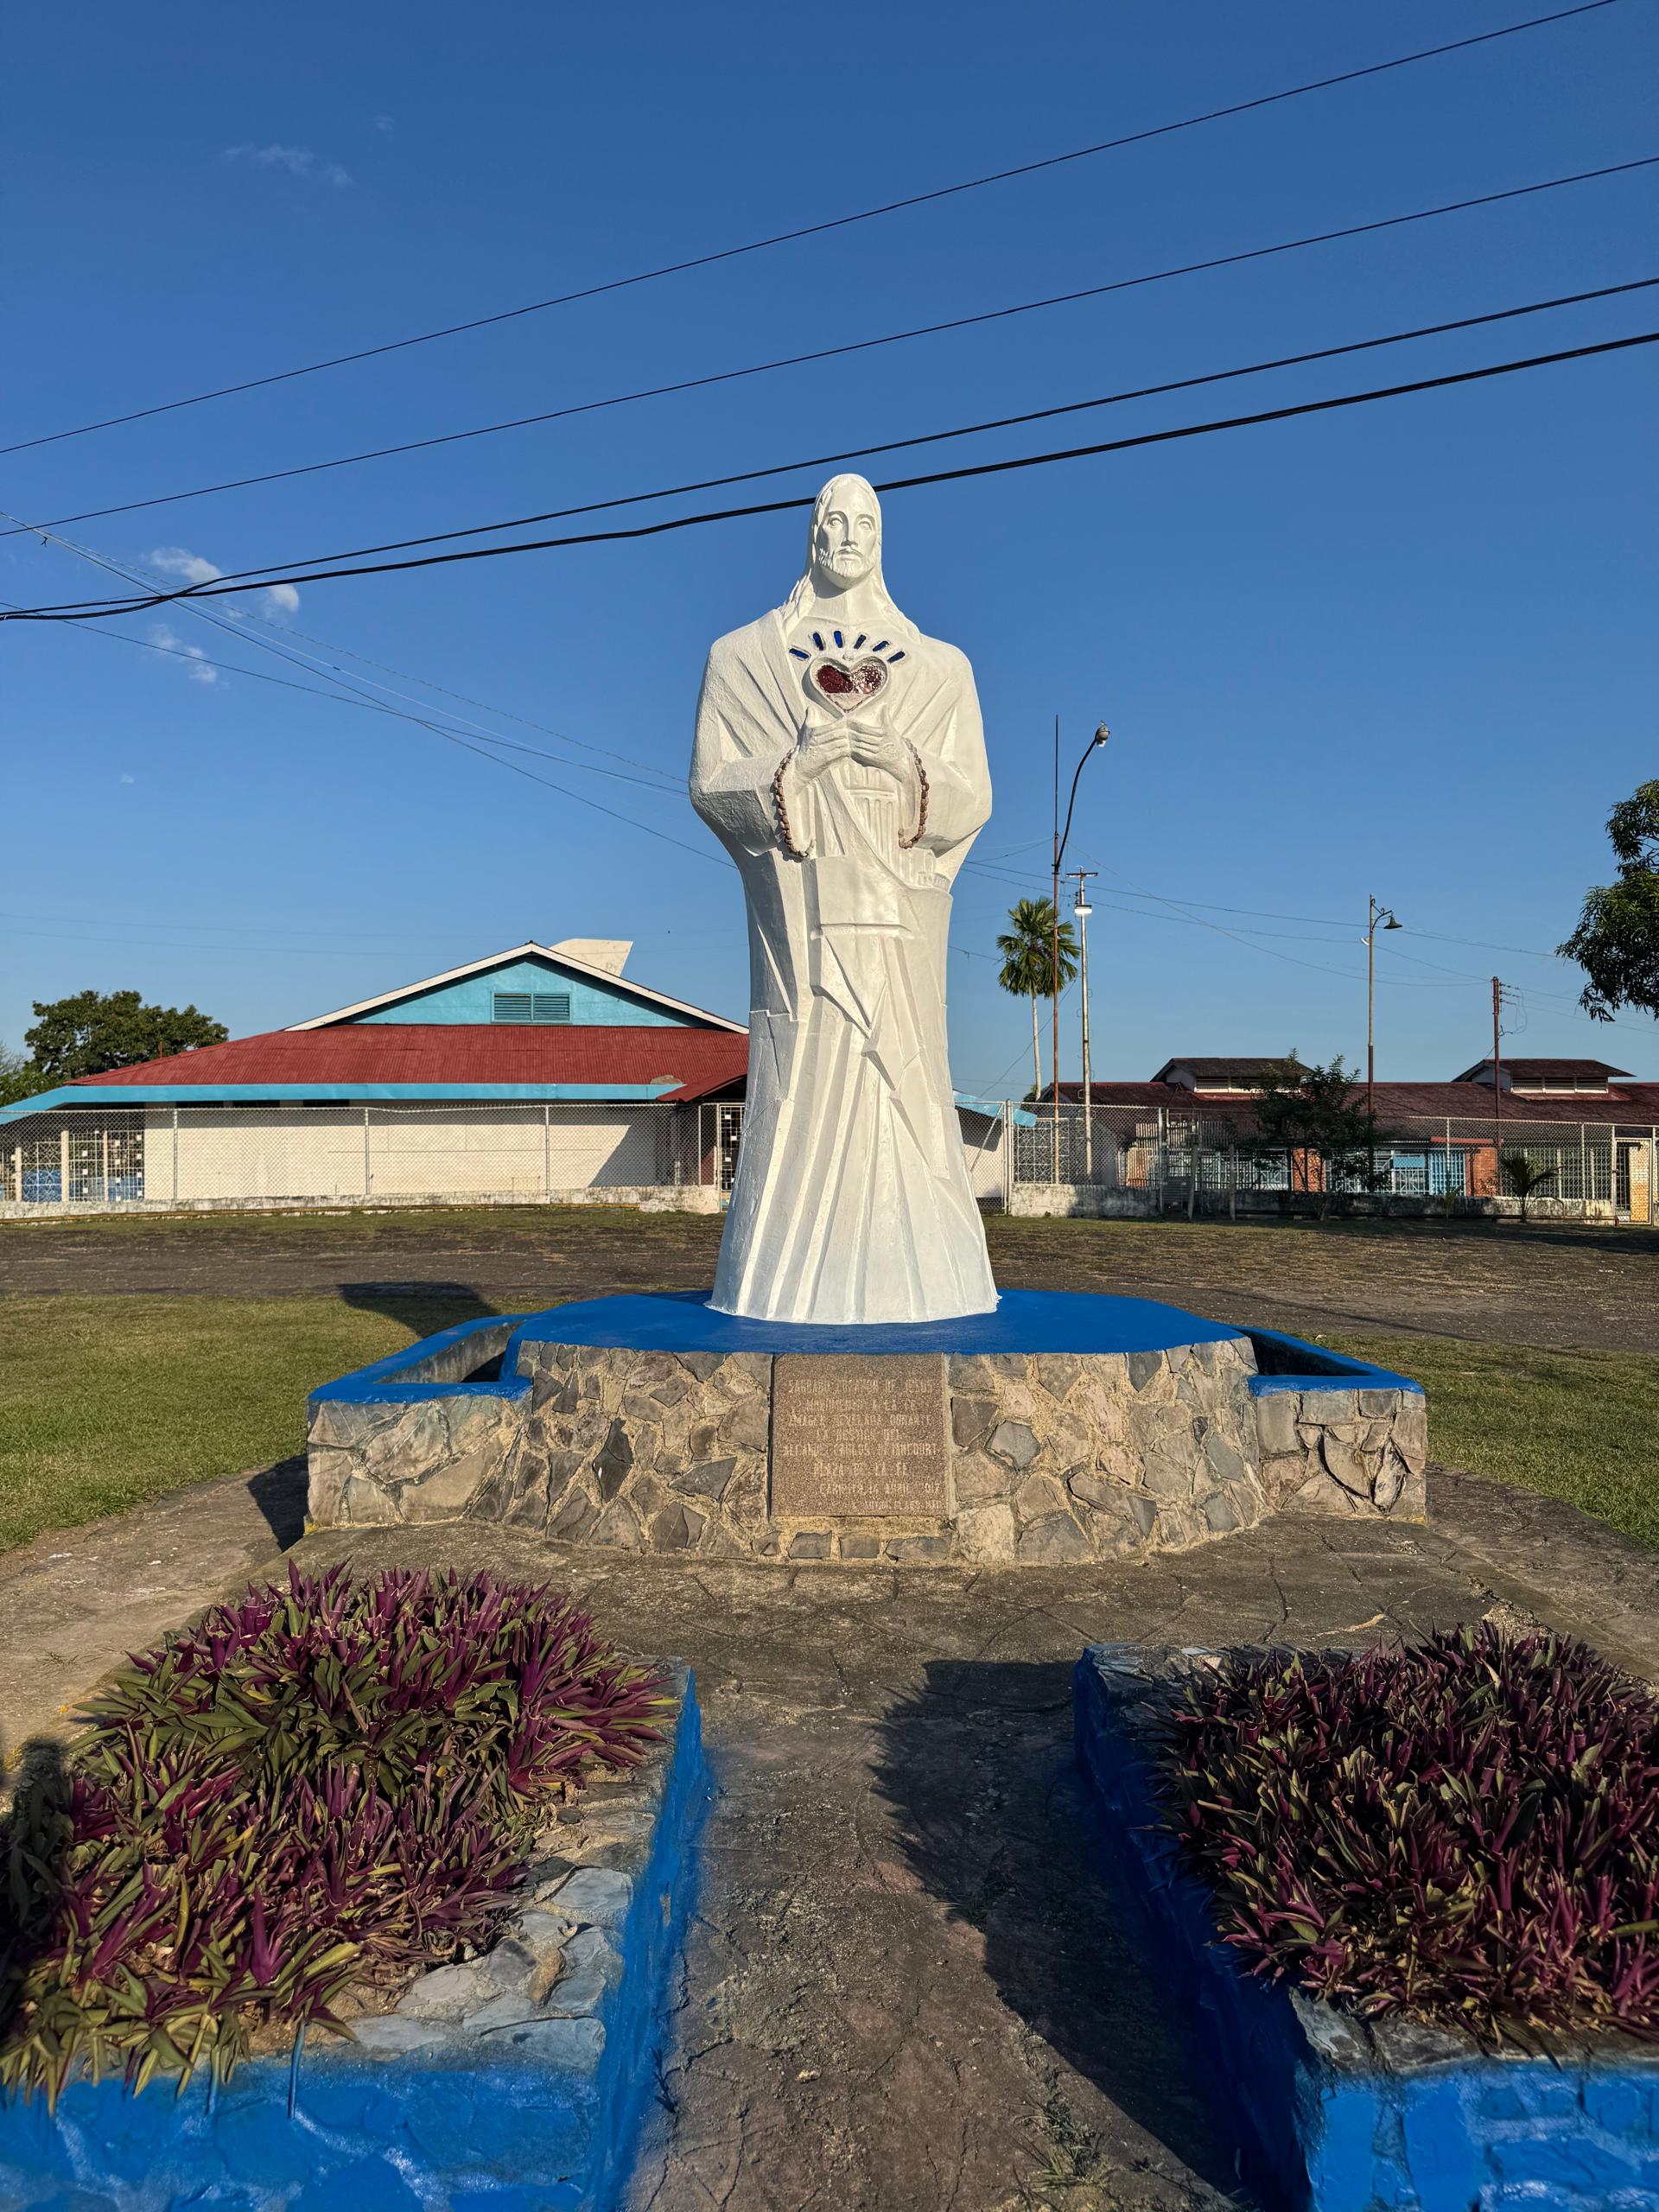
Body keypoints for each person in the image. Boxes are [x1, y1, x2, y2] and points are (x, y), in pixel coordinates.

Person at [690, 474, 998, 1323]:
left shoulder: (940, 668)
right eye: (832, 519)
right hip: (802, 927)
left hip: (900, 930)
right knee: (801, 1086)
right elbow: (712, 785)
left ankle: (925, 1269)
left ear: (883, 536)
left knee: (904, 1088)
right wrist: (800, 767)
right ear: (809, 533)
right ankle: (783, 1275)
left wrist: (906, 766)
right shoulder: (744, 656)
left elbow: (973, 796)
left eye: (864, 520)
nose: (847, 533)